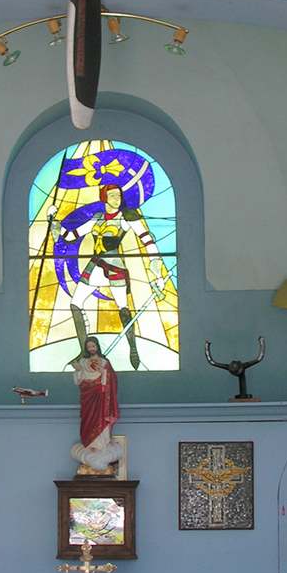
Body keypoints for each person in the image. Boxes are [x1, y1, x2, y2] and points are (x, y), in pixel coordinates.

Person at [58, 184, 168, 370]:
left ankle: (133, 350)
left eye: (119, 195)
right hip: (95, 265)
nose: (117, 199)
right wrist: (55, 225)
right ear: (104, 198)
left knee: (123, 308)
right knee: (75, 303)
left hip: (115, 266)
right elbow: (71, 236)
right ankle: (84, 352)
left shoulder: (126, 217)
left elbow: (147, 239)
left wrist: (156, 268)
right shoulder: (97, 218)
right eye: (113, 195)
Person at [71, 337, 123, 474]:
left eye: (93, 346)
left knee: (100, 418)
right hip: (88, 397)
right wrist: (78, 370)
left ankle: (101, 446)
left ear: (97, 346)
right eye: (89, 347)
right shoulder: (83, 362)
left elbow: (112, 379)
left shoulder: (104, 362)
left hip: (101, 396)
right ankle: (90, 447)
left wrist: (103, 372)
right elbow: (78, 381)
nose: (91, 349)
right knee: (88, 420)